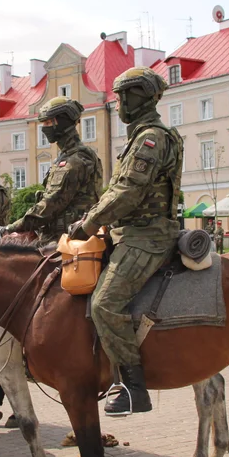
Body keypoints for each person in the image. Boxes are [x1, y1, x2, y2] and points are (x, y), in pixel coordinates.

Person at [69, 67, 181, 417]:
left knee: (105, 303)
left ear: (142, 97)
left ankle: (135, 388)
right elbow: (116, 192)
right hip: (128, 232)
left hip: (148, 235)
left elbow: (129, 193)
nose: (118, 103)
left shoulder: (152, 138)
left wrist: (88, 224)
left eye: (124, 95)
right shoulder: (138, 137)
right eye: (117, 95)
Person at [3, 97, 101, 244]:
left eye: (48, 122)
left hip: (65, 241)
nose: (44, 128)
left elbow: (52, 203)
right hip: (61, 238)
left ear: (62, 122)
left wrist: (8, 228)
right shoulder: (68, 155)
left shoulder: (75, 159)